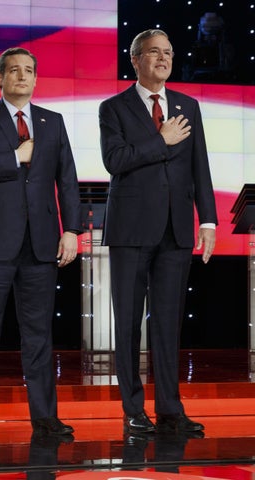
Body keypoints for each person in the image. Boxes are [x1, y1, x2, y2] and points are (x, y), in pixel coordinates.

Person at [0, 47, 81, 444]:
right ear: (0, 78)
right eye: (14, 70)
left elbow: (68, 179)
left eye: (29, 71)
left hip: (41, 244)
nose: (22, 76)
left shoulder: (53, 121)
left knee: (39, 336)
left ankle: (45, 418)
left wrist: (71, 230)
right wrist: (14, 156)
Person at [99, 29, 217, 435]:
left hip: (176, 229)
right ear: (135, 59)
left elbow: (200, 165)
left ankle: (170, 408)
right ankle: (133, 409)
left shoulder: (188, 105)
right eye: (154, 52)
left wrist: (208, 221)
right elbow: (115, 160)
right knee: (128, 323)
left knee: (168, 323)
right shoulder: (113, 108)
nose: (163, 59)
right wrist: (160, 140)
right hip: (131, 229)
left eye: (168, 53)